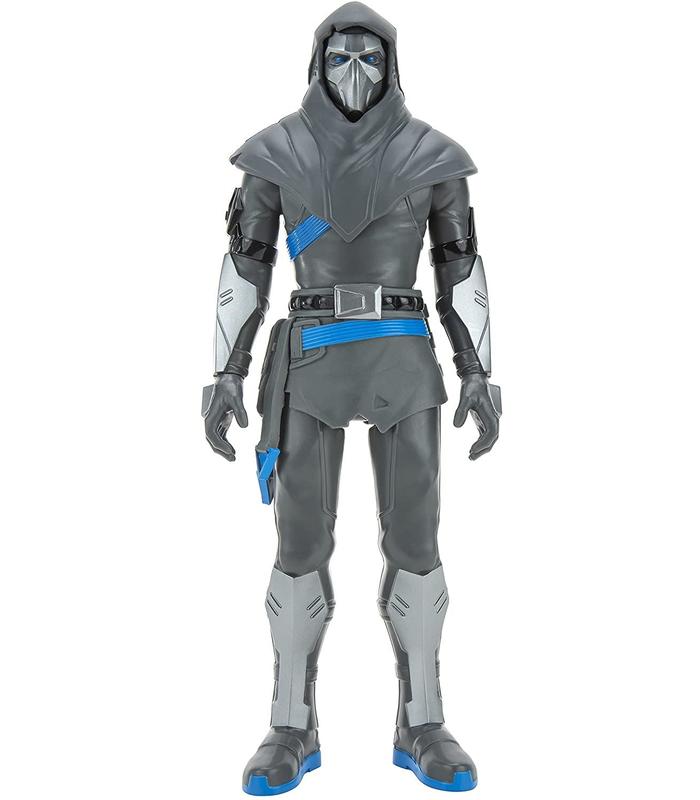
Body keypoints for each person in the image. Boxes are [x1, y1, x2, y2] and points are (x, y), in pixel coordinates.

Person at [202, 3, 501, 794]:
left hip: (403, 355)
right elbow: (246, 264)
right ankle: (290, 724)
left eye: (370, 58)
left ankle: (423, 720)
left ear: (392, 65)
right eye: (341, 58)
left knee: (417, 540)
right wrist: (227, 372)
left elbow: (460, 266)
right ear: (317, 63)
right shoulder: (276, 153)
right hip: (311, 357)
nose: (356, 72)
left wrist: (477, 370)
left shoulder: (432, 155)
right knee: (299, 541)